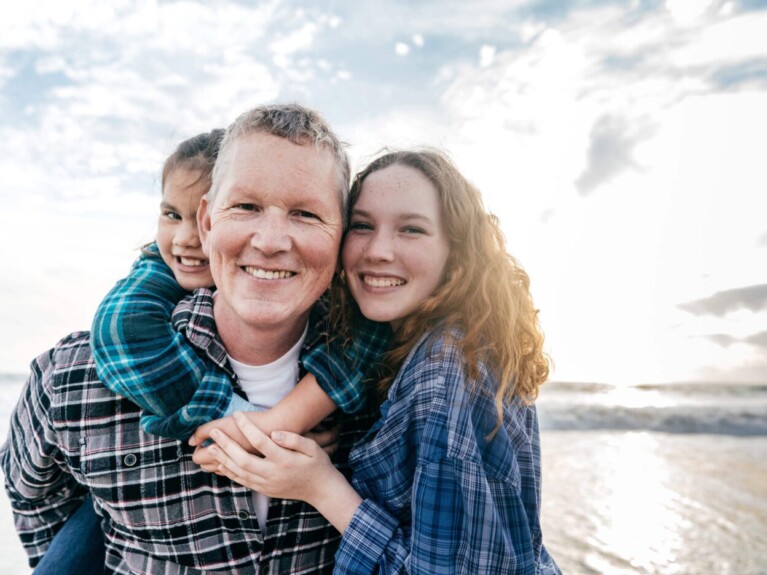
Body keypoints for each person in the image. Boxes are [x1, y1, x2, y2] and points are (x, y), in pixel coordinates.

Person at [1, 103, 377, 574]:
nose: (270, 240)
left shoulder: (389, 387)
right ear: (206, 222)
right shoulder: (74, 375)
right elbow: (33, 497)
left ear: (342, 233)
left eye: (305, 214)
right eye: (245, 206)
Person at [202, 149, 562, 574]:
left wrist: (320, 486)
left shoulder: (447, 368)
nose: (378, 251)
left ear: (457, 251)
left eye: (411, 229)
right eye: (363, 226)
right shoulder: (405, 346)